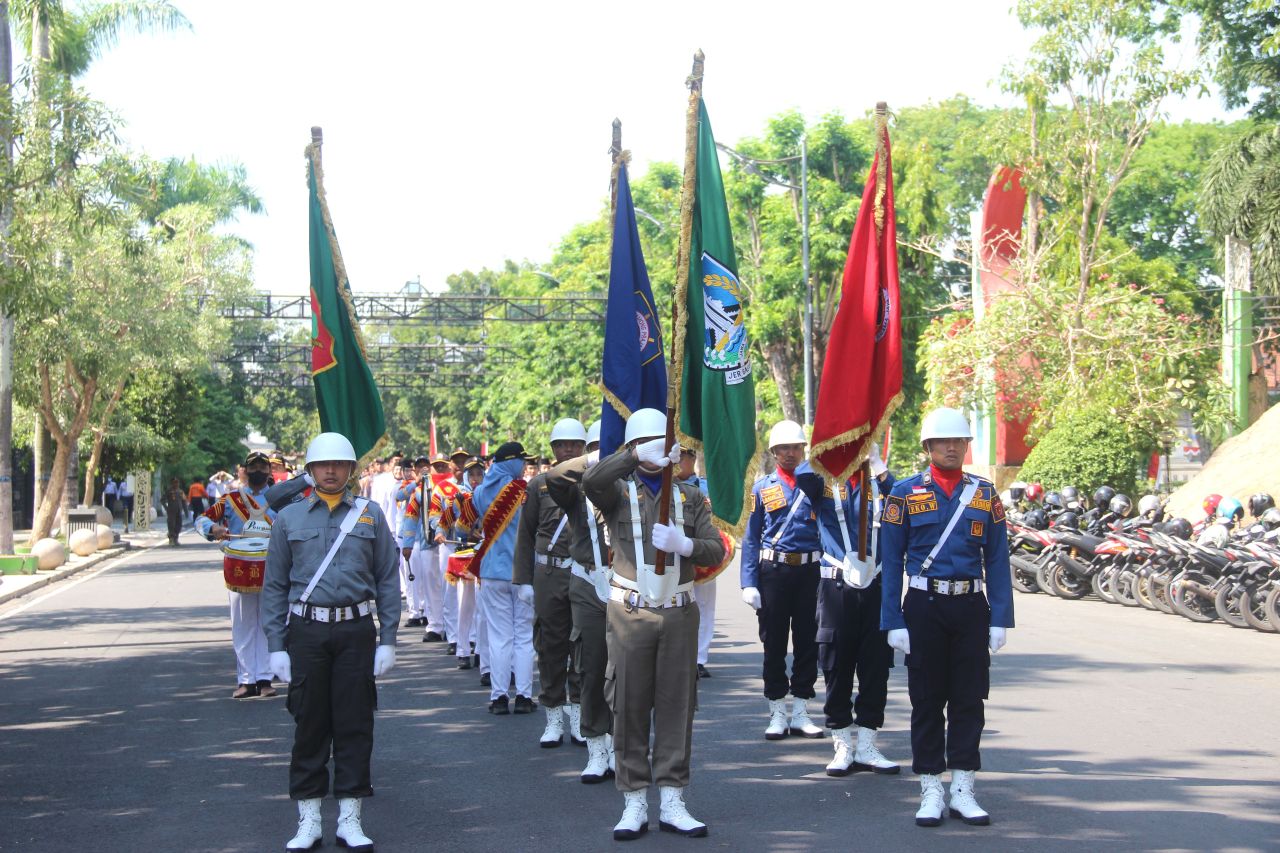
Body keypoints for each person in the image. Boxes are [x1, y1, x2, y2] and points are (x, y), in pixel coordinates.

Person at [581, 408, 724, 840]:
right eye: (643, 444)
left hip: (678, 613)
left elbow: (714, 549)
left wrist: (687, 544)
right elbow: (591, 483)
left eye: (658, 443)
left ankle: (674, 798)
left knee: (678, 707)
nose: (653, 451)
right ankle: (634, 799)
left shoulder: (690, 497)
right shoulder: (618, 493)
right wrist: (630, 456)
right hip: (631, 613)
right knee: (629, 704)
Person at [261, 431, 401, 852]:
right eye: (323, 465)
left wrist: (388, 638)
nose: (331, 470)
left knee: (355, 723)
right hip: (307, 631)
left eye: (339, 464)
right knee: (310, 724)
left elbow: (388, 580)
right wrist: (275, 644)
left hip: (356, 629)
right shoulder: (289, 519)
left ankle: (350, 818)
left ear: (351, 470)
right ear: (309, 471)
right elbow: (274, 586)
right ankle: (308, 820)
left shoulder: (370, 515)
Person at [880, 407, 1013, 828]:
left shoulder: (985, 494)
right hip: (924, 607)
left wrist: (1000, 618)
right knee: (926, 699)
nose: (952, 447)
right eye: (944, 441)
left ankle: (963, 785)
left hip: (971, 606)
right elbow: (890, 559)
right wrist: (893, 621)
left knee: (969, 699)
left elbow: (997, 558)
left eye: (959, 441)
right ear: (928, 447)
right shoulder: (902, 494)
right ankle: (930, 787)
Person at [795, 444, 900, 778]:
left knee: (876, 666)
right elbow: (801, 475)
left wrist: (879, 466)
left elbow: (901, 501)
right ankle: (841, 742)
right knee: (836, 664)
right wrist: (828, 450)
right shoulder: (824, 482)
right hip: (837, 587)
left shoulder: (880, 484)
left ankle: (868, 744)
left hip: (876, 588)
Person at [740, 419, 824, 740]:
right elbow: (751, 538)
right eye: (784, 448)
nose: (790, 453)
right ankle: (776, 709)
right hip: (773, 572)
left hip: (810, 572)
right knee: (773, 642)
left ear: (803, 449)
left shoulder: (817, 484)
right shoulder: (762, 488)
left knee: (808, 641)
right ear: (774, 452)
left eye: (796, 447)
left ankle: (801, 707)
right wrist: (749, 581)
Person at [546, 418, 616, 782]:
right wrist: (593, 460)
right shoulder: (575, 491)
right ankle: (595, 745)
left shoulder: (630, 487)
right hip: (588, 581)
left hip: (627, 584)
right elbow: (554, 478)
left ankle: (622, 744)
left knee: (624, 671)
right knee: (590, 667)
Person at [513, 418, 588, 749]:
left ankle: (578, 714)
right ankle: (553, 716)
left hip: (583, 573)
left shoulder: (595, 480)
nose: (568, 449)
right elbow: (525, 535)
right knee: (550, 646)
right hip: (548, 573)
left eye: (574, 444)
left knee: (583, 646)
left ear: (584, 447)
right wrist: (523, 580)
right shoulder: (539, 485)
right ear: (553, 449)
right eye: (562, 445)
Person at [196, 451, 279, 699]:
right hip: (239, 569)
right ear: (244, 470)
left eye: (262, 467)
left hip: (271, 567)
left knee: (268, 624)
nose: (258, 471)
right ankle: (246, 679)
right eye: (253, 467)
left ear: (269, 471)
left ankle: (265, 678)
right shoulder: (230, 499)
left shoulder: (280, 500)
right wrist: (214, 528)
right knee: (242, 625)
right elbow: (201, 518)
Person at [472, 442, 537, 715]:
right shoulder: (524, 491)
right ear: (511, 462)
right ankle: (523, 696)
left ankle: (499, 697)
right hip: (522, 573)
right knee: (523, 636)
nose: (525, 465)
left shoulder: (479, 492)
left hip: (491, 572)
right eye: (522, 461)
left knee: (499, 636)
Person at [674, 449, 716, 679]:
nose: (680, 461)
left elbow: (718, 523)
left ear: (693, 459)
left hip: (702, 557)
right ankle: (679, 655)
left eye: (685, 457)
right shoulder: (663, 485)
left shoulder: (705, 488)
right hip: (673, 557)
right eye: (676, 456)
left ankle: (699, 658)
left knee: (704, 606)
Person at [162, 477, 185, 546]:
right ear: (172, 483)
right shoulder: (169, 491)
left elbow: (183, 501)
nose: (176, 484)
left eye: (177, 482)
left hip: (179, 510)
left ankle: (176, 538)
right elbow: (162, 500)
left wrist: (185, 511)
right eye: (174, 482)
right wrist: (166, 508)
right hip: (171, 510)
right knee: (171, 525)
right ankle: (171, 539)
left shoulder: (180, 491)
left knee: (179, 525)